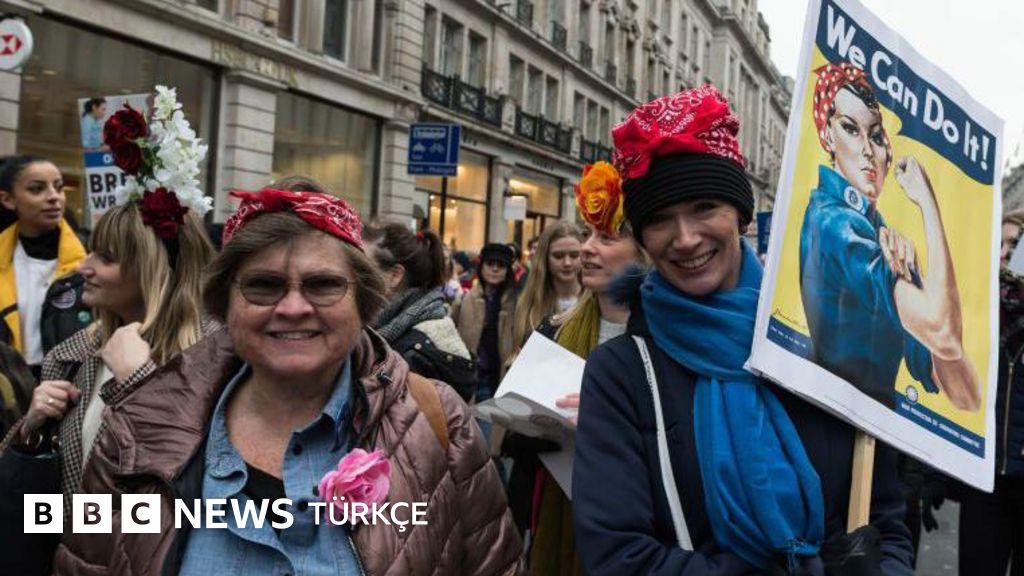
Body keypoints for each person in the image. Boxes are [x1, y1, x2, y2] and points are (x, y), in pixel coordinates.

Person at [53, 182, 523, 575]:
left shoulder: (437, 423)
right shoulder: (136, 428)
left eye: (322, 285)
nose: (293, 307)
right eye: (263, 285)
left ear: (363, 301)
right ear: (224, 304)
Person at [572, 86, 914, 575]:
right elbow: (619, 555)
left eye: (706, 207)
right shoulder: (621, 373)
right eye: (662, 219)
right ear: (643, 237)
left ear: (740, 214)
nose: (686, 237)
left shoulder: (819, 342)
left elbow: (888, 526)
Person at [0, 196, 217, 521]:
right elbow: (41, 504)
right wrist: (32, 428)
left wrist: (138, 380)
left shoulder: (216, 357)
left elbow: (193, 496)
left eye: (107, 258)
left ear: (152, 269)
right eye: (91, 251)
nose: (83, 267)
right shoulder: (71, 356)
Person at [799, 62, 980, 411]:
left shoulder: (879, 233)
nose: (868, 149)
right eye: (850, 129)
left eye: (877, 136)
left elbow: (966, 395)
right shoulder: (833, 222)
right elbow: (943, 332)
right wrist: (928, 203)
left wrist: (913, 279)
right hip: (832, 431)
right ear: (827, 136)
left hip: (878, 438)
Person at [504, 161, 645, 575]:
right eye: (588, 235)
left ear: (643, 251)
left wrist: (607, 423)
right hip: (557, 515)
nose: (587, 249)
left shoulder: (661, 341)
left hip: (629, 529)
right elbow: (518, 449)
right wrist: (532, 427)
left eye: (607, 237)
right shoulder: (553, 331)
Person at [957, 209, 1024, 575]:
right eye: (998, 244)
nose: (1004, 252)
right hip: (985, 483)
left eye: (1014, 243)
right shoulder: (977, 313)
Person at [364, 220, 477, 401]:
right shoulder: (387, 327)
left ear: (395, 276)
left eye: (363, 267)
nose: (350, 274)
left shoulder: (415, 352)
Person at [0, 155, 90, 376]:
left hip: (71, 388)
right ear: (8, 200)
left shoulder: (90, 254)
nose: (53, 197)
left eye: (59, 188)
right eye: (36, 189)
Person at [452, 242, 517, 402]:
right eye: (490, 263)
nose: (494, 269)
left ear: (507, 271)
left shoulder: (516, 305)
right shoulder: (464, 300)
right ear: (481, 267)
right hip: (467, 379)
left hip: (498, 382)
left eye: (501, 265)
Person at [512, 221, 584, 349]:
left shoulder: (595, 301)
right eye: (558, 256)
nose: (567, 263)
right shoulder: (528, 305)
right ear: (545, 258)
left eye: (574, 255)